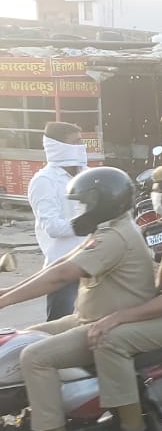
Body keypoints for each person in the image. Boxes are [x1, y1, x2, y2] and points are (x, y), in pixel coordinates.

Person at [0, 167, 156, 431]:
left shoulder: (115, 237)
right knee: (22, 340)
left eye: (85, 203)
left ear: (104, 202)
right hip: (86, 317)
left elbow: (60, 277)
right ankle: (42, 413)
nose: (81, 211)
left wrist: (4, 302)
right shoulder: (109, 228)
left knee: (34, 356)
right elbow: (57, 265)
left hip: (106, 325)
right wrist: (5, 293)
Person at [27, 121, 88, 321]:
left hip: (92, 262)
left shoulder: (87, 175)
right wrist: (87, 223)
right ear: (58, 146)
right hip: (62, 267)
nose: (81, 147)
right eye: (75, 142)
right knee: (59, 326)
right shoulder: (44, 181)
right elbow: (52, 226)